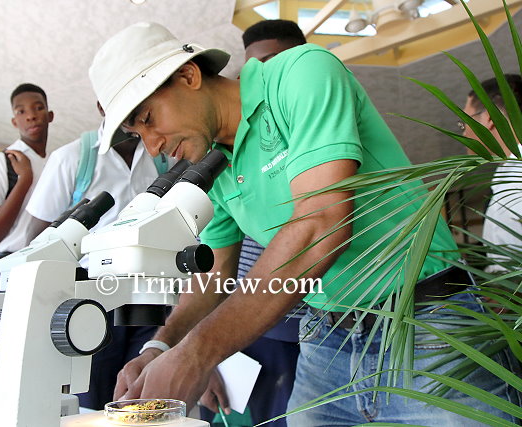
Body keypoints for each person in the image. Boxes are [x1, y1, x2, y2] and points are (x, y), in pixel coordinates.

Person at [90, 23, 519, 426]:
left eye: (149, 119)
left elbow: (321, 224)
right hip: (327, 340)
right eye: (137, 134)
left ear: (188, 75)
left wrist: (196, 354)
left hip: (425, 324)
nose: (152, 146)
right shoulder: (209, 163)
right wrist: (162, 345)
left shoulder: (301, 72)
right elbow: (215, 274)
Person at [198, 19, 308, 427]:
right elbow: (216, 269)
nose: (261, 76)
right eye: (252, 69)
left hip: (323, 323)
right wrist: (202, 350)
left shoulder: (315, 121)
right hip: (253, 325)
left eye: (273, 63)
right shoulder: (222, 157)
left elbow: (318, 223)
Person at [25, 121, 171, 409]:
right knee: (92, 393)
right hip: (93, 290)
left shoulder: (162, 156)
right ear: (102, 107)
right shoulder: (71, 158)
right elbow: (35, 238)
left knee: (140, 394)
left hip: (149, 289)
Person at [0, 82, 52, 385]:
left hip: (44, 271)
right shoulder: (0, 162)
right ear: (14, 120)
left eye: (38, 108)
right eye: (21, 111)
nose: (31, 115)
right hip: (3, 269)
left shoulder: (58, 164)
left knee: (40, 361)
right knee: (4, 362)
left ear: (50, 115)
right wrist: (24, 180)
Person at [461, 74, 522, 273]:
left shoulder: (516, 181)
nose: (464, 133)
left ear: (488, 117)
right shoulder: (507, 175)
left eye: (463, 123)